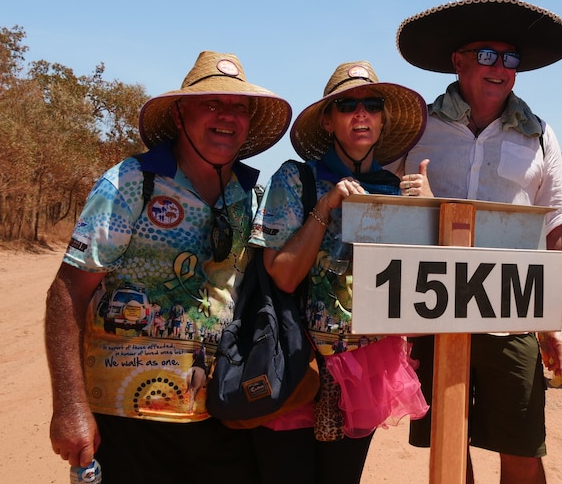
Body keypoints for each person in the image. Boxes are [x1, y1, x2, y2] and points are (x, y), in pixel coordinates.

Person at [44, 51, 291, 483]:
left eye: (238, 107)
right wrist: (69, 407)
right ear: (180, 115)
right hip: (127, 416)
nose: (226, 117)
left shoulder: (252, 196)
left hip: (221, 412)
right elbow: (69, 291)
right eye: (211, 104)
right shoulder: (131, 183)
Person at [392, 0, 562, 484]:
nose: (501, 68)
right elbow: (386, 214)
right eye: (488, 55)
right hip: (429, 309)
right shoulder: (416, 126)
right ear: (458, 62)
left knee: (521, 445)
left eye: (510, 58)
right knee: (448, 441)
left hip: (512, 312)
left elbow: (556, 227)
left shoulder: (540, 136)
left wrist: (557, 318)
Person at [248, 60, 430, 483]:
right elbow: (284, 276)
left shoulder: (396, 188)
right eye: (347, 105)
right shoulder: (296, 179)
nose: (361, 113)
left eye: (371, 104)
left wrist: (429, 211)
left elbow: (421, 299)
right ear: (328, 122)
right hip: (295, 360)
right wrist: (325, 207)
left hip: (367, 367)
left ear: (383, 121)